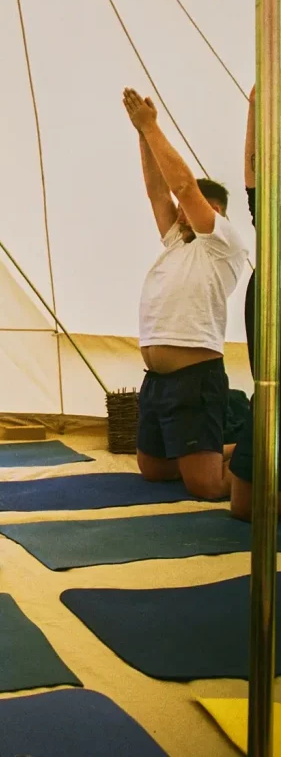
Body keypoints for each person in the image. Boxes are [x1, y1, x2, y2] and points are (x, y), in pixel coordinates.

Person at [123, 87, 247, 499]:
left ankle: (252, 463)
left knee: (206, 487)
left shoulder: (222, 243)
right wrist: (141, 136)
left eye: (189, 209)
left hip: (195, 380)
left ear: (217, 213)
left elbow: (183, 188)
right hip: (158, 383)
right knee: (155, 470)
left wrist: (151, 127)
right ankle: (233, 450)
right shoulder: (179, 241)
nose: (179, 214)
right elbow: (158, 192)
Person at [227, 85, 276, 520]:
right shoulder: (271, 205)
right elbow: (253, 175)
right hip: (267, 298)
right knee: (244, 509)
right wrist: (255, 107)